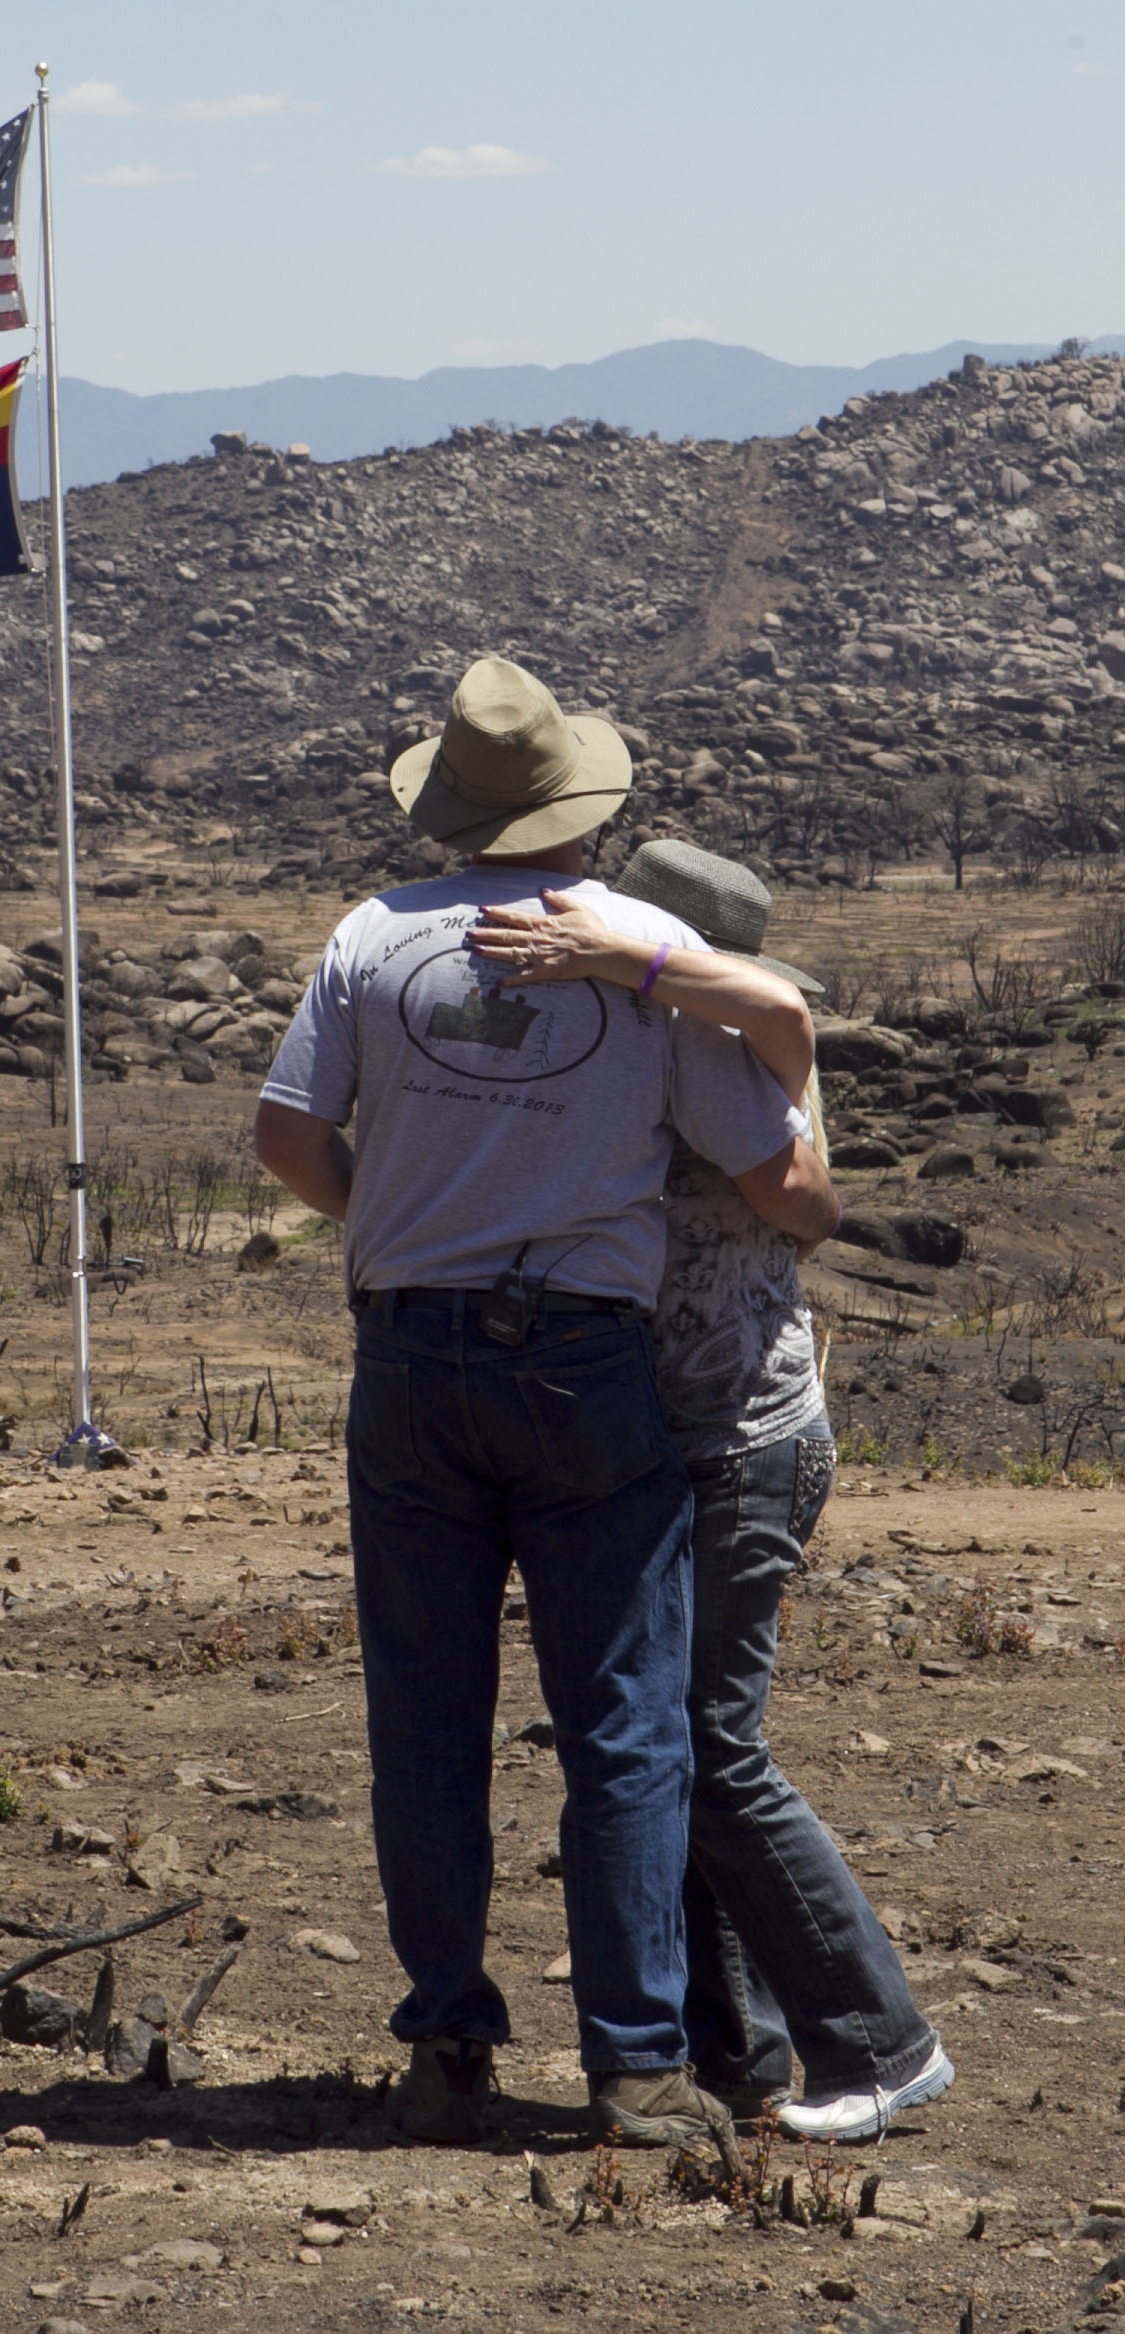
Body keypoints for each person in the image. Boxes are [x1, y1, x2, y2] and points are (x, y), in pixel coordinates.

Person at [255, 658, 840, 2149]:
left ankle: (446, 2036)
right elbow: (781, 1185)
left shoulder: (369, 938)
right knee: (625, 1722)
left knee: (426, 1715)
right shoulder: (640, 944)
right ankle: (634, 2063)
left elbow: (282, 1133)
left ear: (449, 799)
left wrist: (391, 1227)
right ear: (581, 803)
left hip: (407, 1354)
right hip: (581, 1359)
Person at [468, 838, 953, 2143]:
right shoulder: (622, 1050)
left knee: (703, 1745)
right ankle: (733, 2052)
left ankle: (877, 2034)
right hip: (648, 1437)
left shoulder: (749, 1044)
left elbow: (803, 1188)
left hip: (743, 1430)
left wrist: (632, 963)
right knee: (655, 1748)